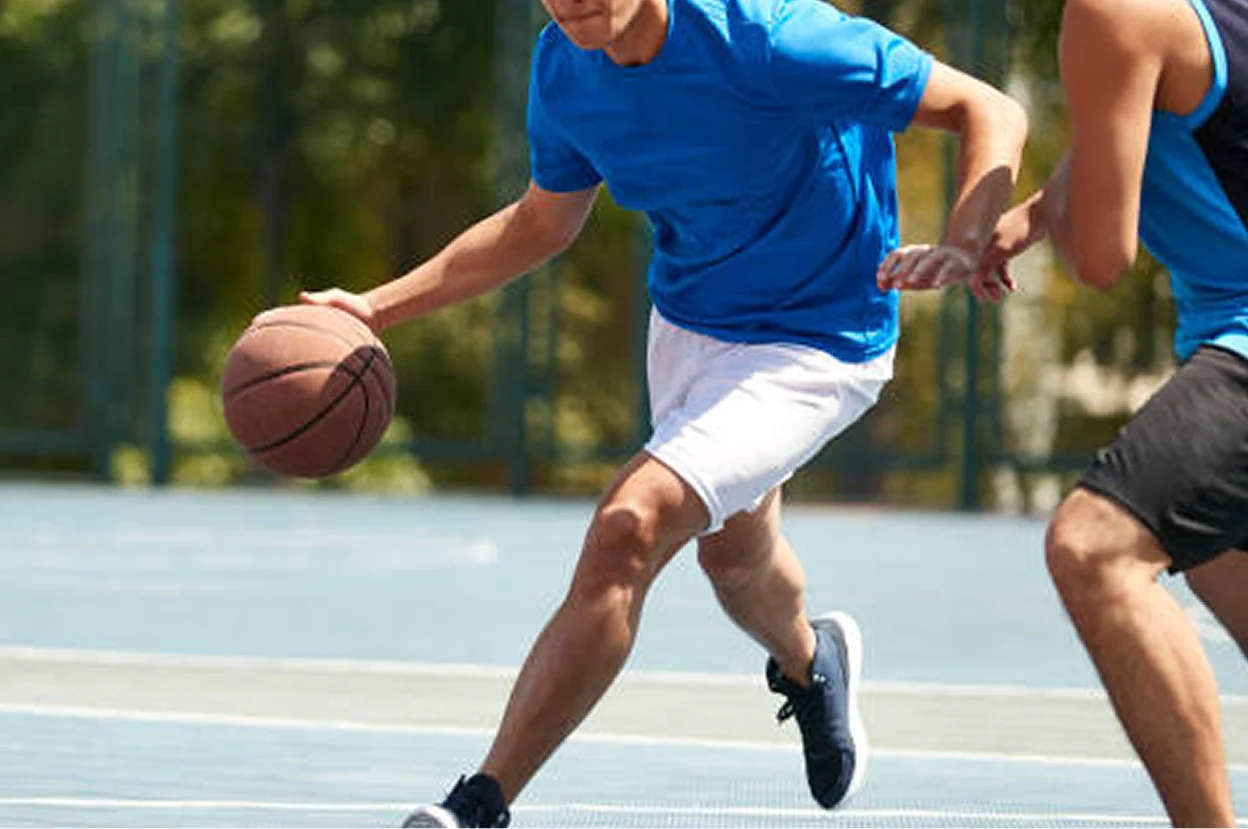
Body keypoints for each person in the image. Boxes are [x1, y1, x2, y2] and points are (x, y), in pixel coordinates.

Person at [280, 0, 1026, 824]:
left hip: (818, 340)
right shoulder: (566, 70)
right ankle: (815, 663)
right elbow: (539, 222)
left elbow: (987, 107)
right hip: (690, 325)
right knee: (735, 559)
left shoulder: (773, 38)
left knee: (628, 527)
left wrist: (965, 237)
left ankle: (478, 803)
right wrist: (373, 311)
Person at [883, 0, 1247, 823]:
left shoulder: (1109, 12)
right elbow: (1153, 113)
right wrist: (1040, 211)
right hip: (1225, 333)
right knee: (1207, 547)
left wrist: (1061, 220)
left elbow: (1103, 261)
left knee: (1096, 548)